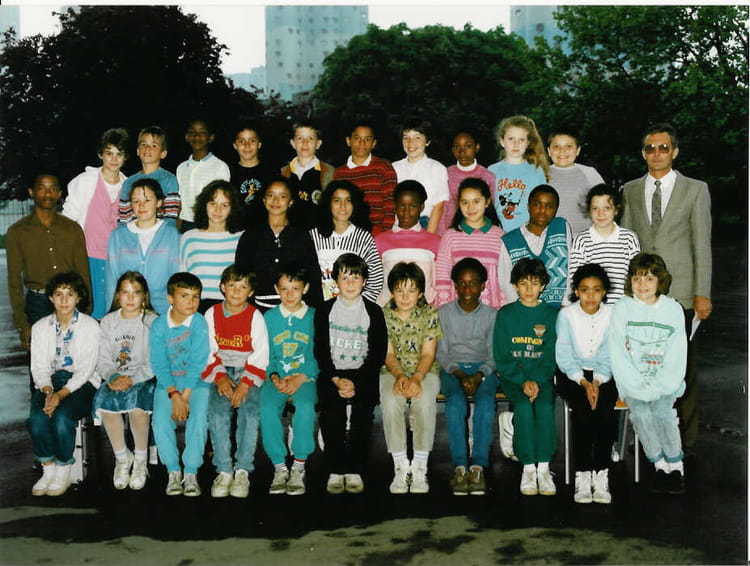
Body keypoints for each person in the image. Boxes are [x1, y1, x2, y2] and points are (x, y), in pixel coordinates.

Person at [620, 122, 712, 454]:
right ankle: (647, 439)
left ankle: (683, 444)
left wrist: (702, 293)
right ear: (643, 153)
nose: (656, 154)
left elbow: (702, 244)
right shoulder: (630, 190)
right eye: (650, 148)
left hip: (683, 294)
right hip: (643, 294)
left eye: (663, 148)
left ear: (674, 151)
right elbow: (628, 244)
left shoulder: (695, 189)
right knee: (643, 366)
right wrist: (627, 293)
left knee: (681, 371)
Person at [609, 253, 687, 494]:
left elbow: (677, 354)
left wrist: (660, 386)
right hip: (633, 383)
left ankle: (676, 465)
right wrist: (638, 386)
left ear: (660, 281)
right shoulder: (622, 308)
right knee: (641, 414)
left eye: (649, 279)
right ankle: (659, 465)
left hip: (665, 382)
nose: (642, 285)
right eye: (637, 279)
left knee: (663, 413)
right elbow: (618, 353)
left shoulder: (673, 309)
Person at [314, 253, 388, 494]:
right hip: (333, 373)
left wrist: (357, 382)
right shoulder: (324, 310)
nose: (349, 283)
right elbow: (320, 350)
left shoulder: (373, 311)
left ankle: (355, 468)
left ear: (364, 281)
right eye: (344, 277)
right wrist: (336, 379)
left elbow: (377, 353)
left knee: (362, 414)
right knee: (331, 414)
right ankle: (336, 469)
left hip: (363, 373)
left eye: (355, 277)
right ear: (335, 280)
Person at [29, 272, 100, 497]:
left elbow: (86, 369)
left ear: (78, 298)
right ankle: (48, 469)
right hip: (50, 382)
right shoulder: (40, 327)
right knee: (37, 418)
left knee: (62, 417)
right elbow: (38, 368)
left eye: (70, 294)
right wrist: (48, 391)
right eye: (58, 294)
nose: (64, 300)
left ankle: (63, 470)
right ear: (51, 298)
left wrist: (60, 395)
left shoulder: (90, 326)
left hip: (82, 383)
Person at [202, 265, 269, 499]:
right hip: (220, 371)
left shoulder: (255, 316)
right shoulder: (211, 314)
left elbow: (261, 354)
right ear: (223, 287)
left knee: (250, 414)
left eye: (243, 287)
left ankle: (242, 469)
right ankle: (224, 469)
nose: (236, 291)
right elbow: (207, 350)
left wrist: (245, 383)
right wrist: (220, 377)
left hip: (248, 371)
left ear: (250, 292)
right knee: (217, 414)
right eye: (232, 286)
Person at [494, 258, 558, 496]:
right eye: (523, 283)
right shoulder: (506, 314)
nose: (529, 289)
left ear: (543, 285)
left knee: (544, 408)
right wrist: (523, 381)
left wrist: (537, 380)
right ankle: (528, 468)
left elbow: (551, 356)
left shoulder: (552, 315)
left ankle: (544, 467)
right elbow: (502, 356)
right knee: (522, 407)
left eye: (535, 283)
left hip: (542, 378)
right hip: (514, 379)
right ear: (514, 286)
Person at [7, 173, 91, 353]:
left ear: (59, 194)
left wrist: (86, 309)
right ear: (31, 192)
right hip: (37, 305)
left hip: (69, 302)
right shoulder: (17, 232)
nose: (47, 194)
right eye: (42, 188)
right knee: (40, 360)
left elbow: (83, 272)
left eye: (53, 189)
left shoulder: (72, 229)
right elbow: (14, 281)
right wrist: (22, 324)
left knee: (71, 359)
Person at [555, 263, 617, 504]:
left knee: (605, 411)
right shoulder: (566, 315)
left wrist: (597, 381)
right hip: (572, 374)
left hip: (604, 373)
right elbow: (564, 354)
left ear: (604, 292)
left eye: (596, 290)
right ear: (576, 292)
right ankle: (582, 474)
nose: (590, 296)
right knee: (582, 411)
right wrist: (583, 381)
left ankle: (601, 473)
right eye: (584, 290)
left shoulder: (611, 314)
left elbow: (609, 353)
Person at [437, 258, 498, 496]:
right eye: (462, 283)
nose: (467, 289)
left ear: (483, 286)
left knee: (485, 403)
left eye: (473, 283)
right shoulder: (444, 313)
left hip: (484, 369)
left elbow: (494, 354)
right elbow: (442, 353)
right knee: (454, 403)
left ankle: (478, 466)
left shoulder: (492, 315)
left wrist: (479, 375)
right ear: (454, 285)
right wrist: (461, 374)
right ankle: (460, 466)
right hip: (453, 370)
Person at [92, 271, 158, 491]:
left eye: (136, 293)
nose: (130, 298)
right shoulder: (108, 321)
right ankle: (122, 458)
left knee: (137, 407)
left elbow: (154, 361)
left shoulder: (151, 321)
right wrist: (113, 376)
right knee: (107, 405)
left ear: (144, 296)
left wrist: (132, 379)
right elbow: (102, 358)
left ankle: (140, 460)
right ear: (117, 296)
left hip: (143, 378)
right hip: (115, 378)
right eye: (125, 292)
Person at [380, 262, 442, 494]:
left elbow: (428, 354)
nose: (405, 297)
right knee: (390, 400)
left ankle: (419, 465)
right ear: (392, 292)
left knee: (424, 400)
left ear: (421, 293)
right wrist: (399, 375)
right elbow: (387, 354)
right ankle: (400, 465)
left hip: (424, 370)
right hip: (391, 370)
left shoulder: (430, 314)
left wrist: (416, 378)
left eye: (411, 290)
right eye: (399, 290)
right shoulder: (383, 315)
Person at [149, 272, 211, 497]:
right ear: (170, 298)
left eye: (195, 296)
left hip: (196, 382)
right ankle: (173, 470)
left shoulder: (199, 322)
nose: (191, 302)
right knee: (159, 421)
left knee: (199, 418)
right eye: (184, 296)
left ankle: (191, 471)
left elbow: (198, 363)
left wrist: (184, 397)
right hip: (168, 384)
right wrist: (174, 394)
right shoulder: (159, 325)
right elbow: (159, 364)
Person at [261, 263, 319, 496]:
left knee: (305, 407)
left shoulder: (314, 316)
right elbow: (266, 354)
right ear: (277, 289)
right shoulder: (269, 317)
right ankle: (279, 466)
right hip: (277, 377)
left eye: (295, 288)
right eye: (284, 289)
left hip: (305, 378)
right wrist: (274, 376)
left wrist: (301, 377)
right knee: (266, 408)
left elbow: (318, 355)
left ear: (305, 288)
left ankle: (299, 465)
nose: (290, 294)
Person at [63, 128, 129, 319]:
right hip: (88, 257)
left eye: (119, 154)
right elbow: (68, 221)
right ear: (101, 154)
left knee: (115, 309)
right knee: (91, 308)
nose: (114, 159)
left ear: (125, 157)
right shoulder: (84, 182)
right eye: (109, 153)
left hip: (117, 258)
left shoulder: (128, 185)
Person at [234, 177, 323, 311]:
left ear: (291, 201)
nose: (275, 201)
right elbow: (241, 275)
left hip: (295, 308)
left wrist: (315, 312)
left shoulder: (301, 235)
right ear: (264, 200)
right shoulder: (250, 236)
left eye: (282, 196)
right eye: (270, 195)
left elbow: (313, 275)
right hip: (258, 309)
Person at [106, 178, 180, 316]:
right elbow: (112, 279)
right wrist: (111, 314)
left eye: (147, 200)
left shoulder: (171, 234)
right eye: (136, 201)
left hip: (162, 310)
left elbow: (176, 276)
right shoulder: (118, 235)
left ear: (159, 202)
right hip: (127, 311)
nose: (141, 206)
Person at [435, 177, 506, 309]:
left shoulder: (500, 236)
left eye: (476, 201)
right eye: (465, 202)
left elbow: (504, 276)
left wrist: (504, 307)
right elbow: (442, 277)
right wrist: (444, 309)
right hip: (458, 310)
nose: (470, 207)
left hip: (492, 309)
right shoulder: (450, 236)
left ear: (487, 202)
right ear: (459, 204)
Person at [309, 179, 383, 303]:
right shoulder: (313, 236)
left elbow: (375, 281)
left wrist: (357, 307)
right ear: (328, 203)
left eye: (348, 200)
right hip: (319, 308)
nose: (343, 206)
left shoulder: (363, 238)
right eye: (337, 200)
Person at [498, 185, 572, 308]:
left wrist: (566, 304)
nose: (542, 211)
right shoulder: (510, 240)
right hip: (527, 310)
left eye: (549, 206)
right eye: (537, 204)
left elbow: (571, 266)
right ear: (528, 206)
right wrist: (522, 309)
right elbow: (506, 282)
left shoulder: (561, 227)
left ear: (555, 210)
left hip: (560, 308)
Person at [179, 180, 245, 313]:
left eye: (224, 205)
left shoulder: (241, 238)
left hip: (231, 308)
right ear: (204, 205)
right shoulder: (189, 238)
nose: (218, 210)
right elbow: (182, 278)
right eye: (213, 203)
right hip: (197, 308)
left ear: (232, 208)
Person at [568, 184, 640, 304]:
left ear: (616, 209)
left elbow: (637, 275)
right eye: (595, 208)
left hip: (624, 306)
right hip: (593, 307)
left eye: (607, 208)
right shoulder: (581, 240)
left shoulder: (629, 238)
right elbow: (575, 279)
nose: (601, 214)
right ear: (589, 211)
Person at [374, 181, 441, 306]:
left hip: (424, 312)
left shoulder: (435, 242)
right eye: (401, 206)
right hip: (387, 312)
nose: (406, 212)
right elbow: (374, 283)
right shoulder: (379, 241)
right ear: (394, 206)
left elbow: (439, 284)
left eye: (412, 206)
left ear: (421, 207)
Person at [332, 121, 398, 236]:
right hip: (348, 233)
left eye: (367, 139)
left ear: (374, 143)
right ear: (348, 141)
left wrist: (385, 235)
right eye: (357, 138)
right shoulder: (339, 173)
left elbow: (390, 205)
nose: (362, 143)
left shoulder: (383, 168)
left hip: (378, 233)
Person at [489, 115, 549, 233]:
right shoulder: (492, 171)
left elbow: (542, 205)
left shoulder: (536, 171)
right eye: (511, 139)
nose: (516, 144)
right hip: (499, 234)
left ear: (528, 143)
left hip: (529, 233)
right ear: (502, 141)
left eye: (521, 139)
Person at [392, 119, 449, 234]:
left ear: (427, 141)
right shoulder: (394, 168)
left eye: (417, 137)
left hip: (425, 224)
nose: (410, 142)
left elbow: (438, 206)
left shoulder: (437, 168)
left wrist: (428, 237)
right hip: (399, 224)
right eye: (406, 138)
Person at [176, 117, 231, 232]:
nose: (197, 136)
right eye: (192, 132)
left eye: (203, 132)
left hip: (208, 224)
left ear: (211, 137)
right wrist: (178, 227)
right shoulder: (181, 168)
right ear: (187, 137)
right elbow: (181, 201)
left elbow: (223, 202)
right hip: (185, 224)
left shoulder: (220, 167)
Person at [546, 130, 605, 235]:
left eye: (568, 146)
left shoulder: (590, 173)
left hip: (585, 238)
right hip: (550, 239)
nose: (562, 151)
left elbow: (604, 205)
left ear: (578, 150)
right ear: (549, 151)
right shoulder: (540, 175)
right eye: (556, 146)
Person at [118, 126, 181, 223]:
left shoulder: (169, 180)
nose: (147, 148)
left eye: (154, 145)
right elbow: (123, 218)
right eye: (143, 144)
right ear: (138, 151)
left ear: (163, 153)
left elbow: (171, 217)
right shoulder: (128, 182)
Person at [439, 130, 496, 235]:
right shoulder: (445, 174)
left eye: (468, 146)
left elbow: (490, 210)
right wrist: (441, 235)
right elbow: (441, 209)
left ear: (476, 147)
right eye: (457, 147)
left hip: (478, 233)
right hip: (450, 232)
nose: (462, 152)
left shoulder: (488, 176)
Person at [281, 120, 334, 229]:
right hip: (289, 233)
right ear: (293, 143)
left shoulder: (330, 173)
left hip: (319, 233)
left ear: (318, 144)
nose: (305, 143)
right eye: (300, 138)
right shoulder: (283, 173)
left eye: (310, 138)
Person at [229, 123, 276, 227]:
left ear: (259, 144)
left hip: (264, 228)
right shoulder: (228, 172)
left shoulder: (271, 172)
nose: (247, 145)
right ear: (235, 145)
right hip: (236, 229)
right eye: (241, 141)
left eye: (252, 140)